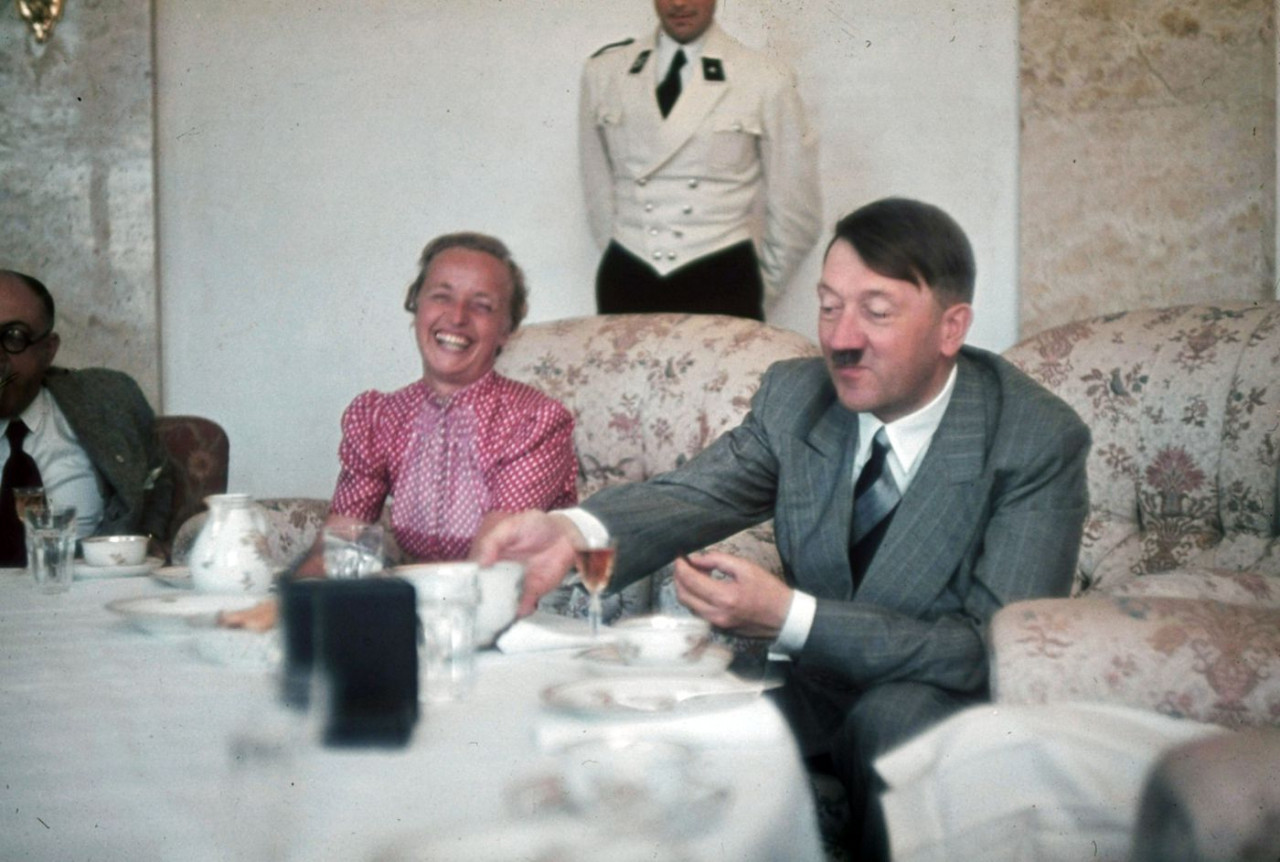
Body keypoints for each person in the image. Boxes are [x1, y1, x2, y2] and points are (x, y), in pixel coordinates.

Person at [473, 198, 1091, 858]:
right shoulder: (798, 396)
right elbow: (695, 493)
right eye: (828, 306)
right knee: (633, 732)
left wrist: (790, 616)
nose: (841, 338)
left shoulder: (1034, 438)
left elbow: (988, 650)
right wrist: (572, 531)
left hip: (933, 703)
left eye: (876, 312)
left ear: (951, 327)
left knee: (896, 720)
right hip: (810, 689)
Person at [294, 231, 578, 575]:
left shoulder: (534, 421)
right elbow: (340, 546)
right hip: (424, 604)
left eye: (482, 305)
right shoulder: (379, 417)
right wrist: (282, 610)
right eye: (442, 297)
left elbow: (490, 564)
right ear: (416, 306)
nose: (457, 317)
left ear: (506, 329)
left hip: (515, 605)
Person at [580, 0, 821, 320]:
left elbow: (797, 209)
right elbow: (597, 189)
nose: (679, 3)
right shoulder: (605, 72)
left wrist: (758, 290)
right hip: (628, 278)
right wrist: (624, 248)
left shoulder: (763, 78)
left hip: (722, 279)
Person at [0, 270, 172, 564]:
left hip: (90, 591)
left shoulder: (110, 399)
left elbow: (157, 477)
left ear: (48, 349)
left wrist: (148, 538)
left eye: (14, 336)